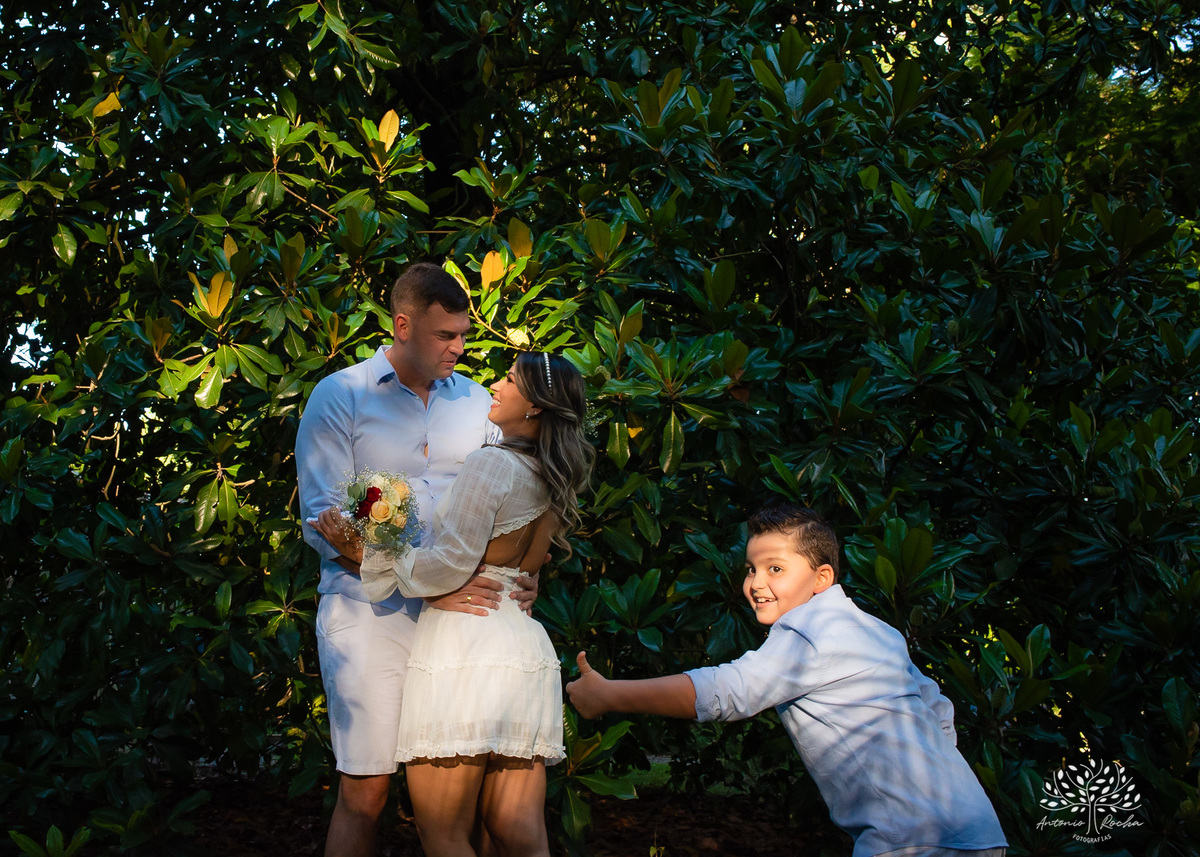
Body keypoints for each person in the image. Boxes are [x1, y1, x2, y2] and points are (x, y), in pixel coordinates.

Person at [566, 502, 1008, 857]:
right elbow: (939, 712)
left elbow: (727, 692)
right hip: (976, 827)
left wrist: (608, 694)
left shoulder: (810, 631)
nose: (757, 582)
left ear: (822, 578)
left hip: (911, 837)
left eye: (775, 568)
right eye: (751, 569)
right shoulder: (875, 630)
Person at [296, 262, 537, 857]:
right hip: (368, 618)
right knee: (367, 789)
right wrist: (427, 587)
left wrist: (522, 576)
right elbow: (328, 524)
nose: (459, 346)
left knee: (465, 798)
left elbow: (516, 498)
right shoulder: (340, 395)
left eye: (462, 334)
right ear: (403, 326)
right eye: (444, 335)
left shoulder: (479, 403)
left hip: (463, 623)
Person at [314, 351, 592, 857]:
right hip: (523, 646)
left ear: (534, 407)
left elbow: (447, 566)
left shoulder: (491, 463)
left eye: (509, 380)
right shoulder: (551, 473)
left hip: (464, 647)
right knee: (521, 833)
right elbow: (528, 565)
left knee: (443, 836)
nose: (496, 385)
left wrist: (367, 552)